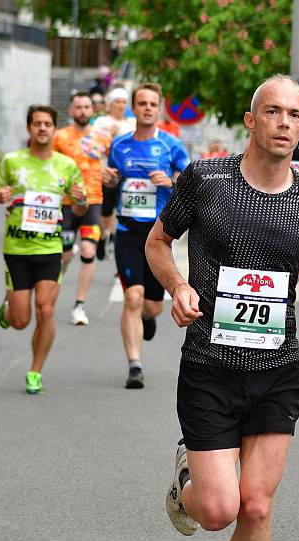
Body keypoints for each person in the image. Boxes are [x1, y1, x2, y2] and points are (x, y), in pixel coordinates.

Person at [145, 74, 299, 541]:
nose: (285, 123)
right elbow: (158, 243)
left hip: (278, 369)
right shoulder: (206, 180)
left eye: (296, 116)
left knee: (256, 506)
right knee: (216, 512)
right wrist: (178, 286)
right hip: (209, 366)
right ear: (251, 120)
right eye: (273, 112)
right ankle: (191, 474)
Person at [0, 105, 87, 394]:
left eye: (47, 124)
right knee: (20, 321)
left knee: (45, 310)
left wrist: (80, 200)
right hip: (16, 248)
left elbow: (80, 207)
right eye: (37, 123)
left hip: (50, 249)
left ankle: (35, 371)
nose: (42, 128)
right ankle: (8, 307)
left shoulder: (66, 165)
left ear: (54, 129)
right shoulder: (12, 162)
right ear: (29, 128)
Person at [103, 82, 189, 389]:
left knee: (151, 306)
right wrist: (110, 181)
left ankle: (149, 317)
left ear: (159, 108)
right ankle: (135, 365)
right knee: (132, 297)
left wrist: (170, 181)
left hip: (158, 237)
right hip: (127, 232)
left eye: (153, 103)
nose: (148, 108)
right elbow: (111, 181)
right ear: (134, 108)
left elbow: (190, 183)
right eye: (142, 103)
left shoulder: (171, 145)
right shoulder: (119, 145)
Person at [53, 92, 112, 325]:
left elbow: (115, 164)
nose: (83, 111)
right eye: (78, 107)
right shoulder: (59, 137)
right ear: (70, 111)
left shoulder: (102, 137)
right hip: (66, 204)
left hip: (93, 201)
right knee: (64, 254)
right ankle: (50, 293)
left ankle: (79, 306)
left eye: (87, 107)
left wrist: (111, 176)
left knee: (88, 251)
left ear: (92, 110)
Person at [94, 88, 136, 260]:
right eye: (117, 101)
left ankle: (114, 238)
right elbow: (94, 146)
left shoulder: (133, 123)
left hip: (128, 172)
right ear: (110, 104)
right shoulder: (101, 122)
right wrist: (109, 135)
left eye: (123, 102)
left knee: (122, 208)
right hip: (107, 171)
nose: (120, 105)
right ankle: (103, 235)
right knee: (106, 209)